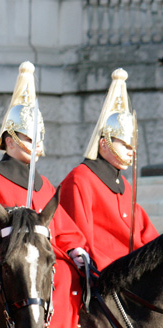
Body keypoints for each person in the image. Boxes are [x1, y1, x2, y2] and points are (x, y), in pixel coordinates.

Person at [0, 61, 90, 328]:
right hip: (10, 275)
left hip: (45, 269)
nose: (35, 144)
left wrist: (76, 249)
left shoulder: (44, 185)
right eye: (27, 137)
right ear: (9, 139)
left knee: (72, 281)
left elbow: (64, 231)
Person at [59, 68, 159, 271]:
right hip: (103, 273)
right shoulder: (81, 178)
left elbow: (144, 234)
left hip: (132, 270)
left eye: (133, 147)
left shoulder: (125, 186)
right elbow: (80, 238)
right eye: (125, 145)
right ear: (104, 144)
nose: (131, 152)